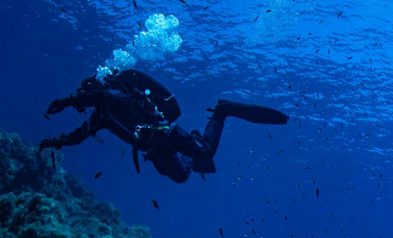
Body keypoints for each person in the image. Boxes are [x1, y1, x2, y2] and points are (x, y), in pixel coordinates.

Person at [39, 69, 288, 183]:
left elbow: (103, 97)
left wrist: (68, 101)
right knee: (183, 175)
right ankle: (194, 144)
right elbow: (79, 135)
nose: (86, 103)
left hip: (167, 137)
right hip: (157, 148)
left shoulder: (116, 99)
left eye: (87, 95)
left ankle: (223, 110)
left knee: (203, 155)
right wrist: (55, 142)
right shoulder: (100, 118)